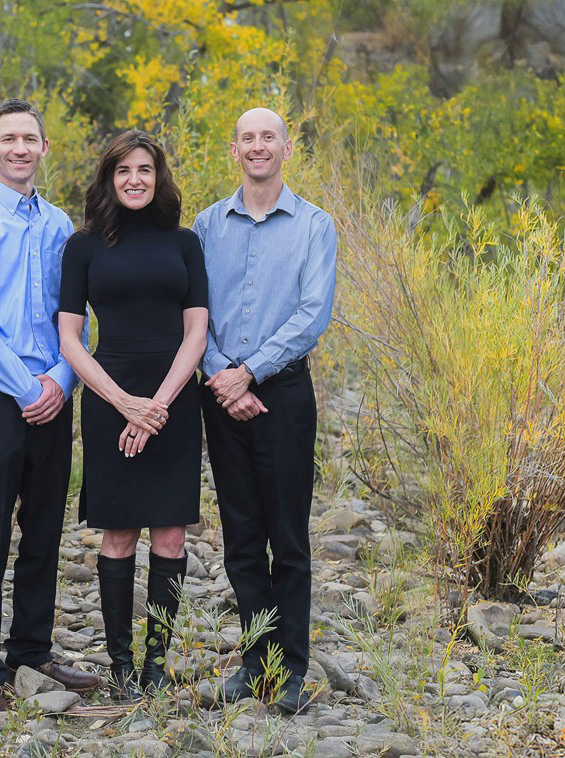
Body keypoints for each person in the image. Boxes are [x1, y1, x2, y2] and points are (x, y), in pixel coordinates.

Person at [0, 99, 100, 717]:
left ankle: (30, 652)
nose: (19, 148)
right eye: (8, 139)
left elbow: (76, 316)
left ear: (43, 148)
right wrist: (29, 386)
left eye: (30, 139)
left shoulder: (61, 225)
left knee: (43, 526)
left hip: (55, 394)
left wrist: (62, 379)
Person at [194, 107, 337, 713]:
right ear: (234, 150)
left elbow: (314, 313)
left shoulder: (314, 226)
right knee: (241, 536)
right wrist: (222, 374)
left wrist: (250, 372)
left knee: (288, 536)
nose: (258, 147)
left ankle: (295, 669)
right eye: (248, 138)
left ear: (287, 148)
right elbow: (191, 313)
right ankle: (257, 664)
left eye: (268, 137)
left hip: (282, 395)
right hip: (219, 391)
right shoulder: (206, 225)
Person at [58, 131, 208, 702]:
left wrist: (158, 406)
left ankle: (154, 663)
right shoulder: (85, 246)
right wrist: (124, 404)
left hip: (173, 399)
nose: (135, 180)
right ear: (108, 179)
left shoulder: (185, 243)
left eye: (145, 169)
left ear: (159, 176)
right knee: (118, 532)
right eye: (123, 171)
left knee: (169, 531)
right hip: (108, 396)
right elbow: (70, 339)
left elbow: (197, 330)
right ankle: (120, 664)